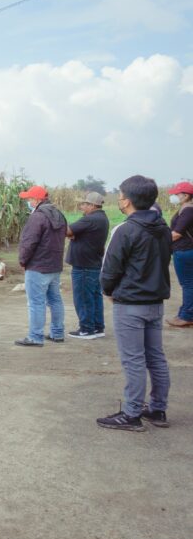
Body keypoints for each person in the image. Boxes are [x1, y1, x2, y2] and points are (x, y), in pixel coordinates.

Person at [97, 175, 172, 432]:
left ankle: (131, 414)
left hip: (130, 303)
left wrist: (108, 291)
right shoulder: (162, 228)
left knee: (134, 360)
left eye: (119, 195)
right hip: (155, 301)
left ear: (126, 201)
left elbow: (110, 268)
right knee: (156, 357)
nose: (118, 198)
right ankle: (158, 409)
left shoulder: (125, 230)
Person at [14, 185, 69, 347]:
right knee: (55, 300)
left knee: (36, 302)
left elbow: (28, 242)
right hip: (54, 265)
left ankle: (35, 336)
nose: (28, 202)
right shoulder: (58, 214)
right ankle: (57, 333)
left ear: (37, 200)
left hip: (38, 266)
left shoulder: (37, 217)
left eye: (30, 199)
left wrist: (23, 260)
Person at [66, 192, 109, 340]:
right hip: (93, 264)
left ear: (92, 205)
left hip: (84, 265)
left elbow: (67, 231)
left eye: (84, 204)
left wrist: (73, 234)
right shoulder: (101, 218)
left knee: (83, 298)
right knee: (94, 297)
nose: (81, 206)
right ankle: (97, 327)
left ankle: (86, 329)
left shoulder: (90, 219)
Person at [166, 181, 193, 328]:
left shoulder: (188, 210)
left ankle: (186, 316)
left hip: (184, 251)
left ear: (186, 195)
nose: (174, 196)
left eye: (177, 194)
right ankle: (185, 312)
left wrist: (157, 241)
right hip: (186, 250)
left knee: (188, 284)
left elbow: (177, 233)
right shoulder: (185, 208)